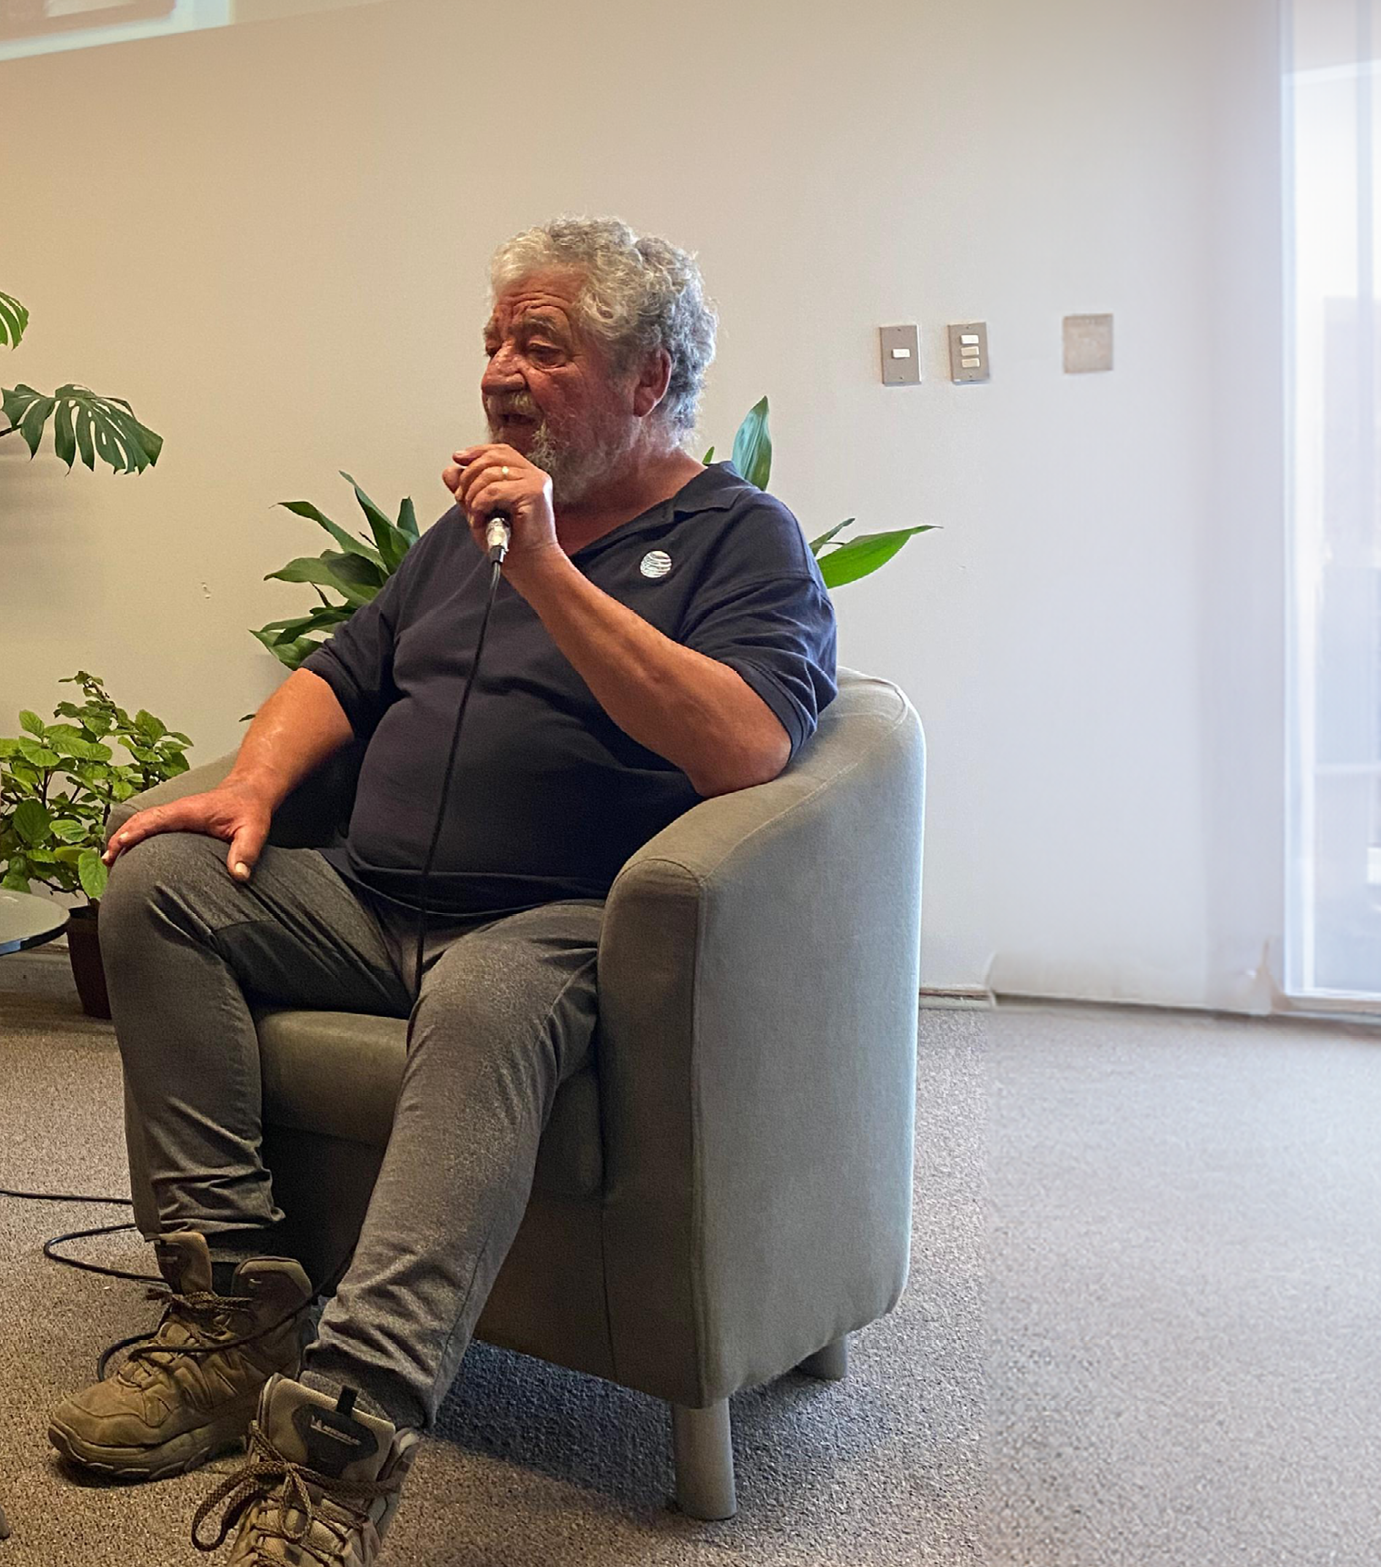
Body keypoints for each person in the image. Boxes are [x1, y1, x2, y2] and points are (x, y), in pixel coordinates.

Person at [44, 219, 837, 1564]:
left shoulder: (736, 540)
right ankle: (231, 1310)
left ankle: (342, 1432)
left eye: (544, 344)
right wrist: (251, 783)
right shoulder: (457, 537)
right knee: (160, 883)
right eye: (492, 342)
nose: (500, 372)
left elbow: (744, 740)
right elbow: (339, 670)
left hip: (555, 922)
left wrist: (542, 565)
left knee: (481, 997)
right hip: (367, 899)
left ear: (649, 378)